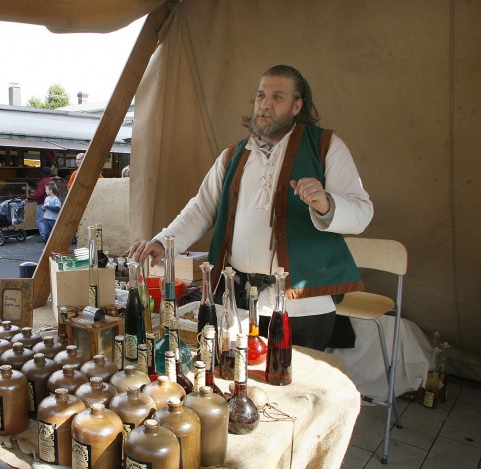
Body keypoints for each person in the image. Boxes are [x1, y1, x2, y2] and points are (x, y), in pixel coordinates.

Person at [128, 65, 373, 351]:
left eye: (277, 97)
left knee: (292, 379)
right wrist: (163, 242)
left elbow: (362, 212)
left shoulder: (326, 146)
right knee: (234, 375)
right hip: (239, 303)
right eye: (261, 96)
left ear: (297, 106)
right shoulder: (233, 155)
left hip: (302, 308)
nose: (265, 104)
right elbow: (201, 208)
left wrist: (327, 204)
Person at [27, 166, 53, 241]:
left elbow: (39, 193)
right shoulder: (51, 180)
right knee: (48, 220)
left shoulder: (43, 181)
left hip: (42, 203)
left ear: (42, 173)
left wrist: (30, 197)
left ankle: (44, 236)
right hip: (50, 203)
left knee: (40, 220)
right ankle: (49, 235)